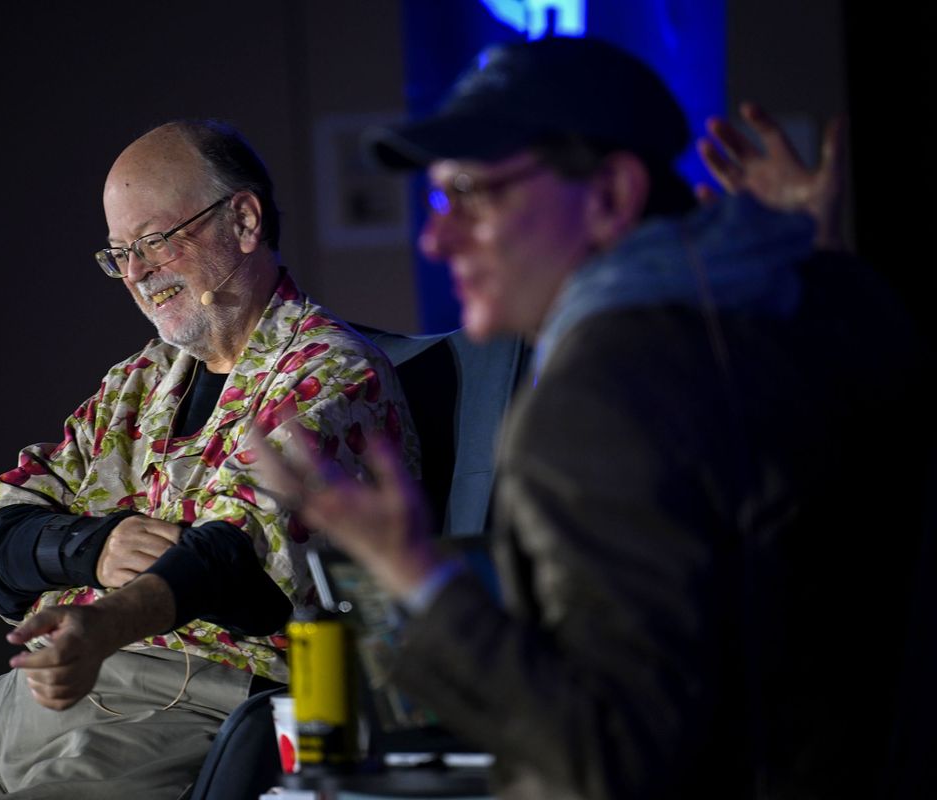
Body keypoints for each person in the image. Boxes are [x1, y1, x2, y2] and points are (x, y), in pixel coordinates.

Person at [258, 37, 933, 800]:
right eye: (438, 198)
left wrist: (413, 575)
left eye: (473, 194)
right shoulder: (838, 302)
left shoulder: (597, 398)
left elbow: (609, 757)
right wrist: (813, 256)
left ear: (610, 196)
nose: (435, 237)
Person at [0, 120, 417, 799]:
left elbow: (238, 559)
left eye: (153, 242)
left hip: (176, 713)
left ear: (243, 220)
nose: (136, 274)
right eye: (118, 253)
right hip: (1, 725)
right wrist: (96, 547)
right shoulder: (137, 382)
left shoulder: (326, 370)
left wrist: (104, 627)